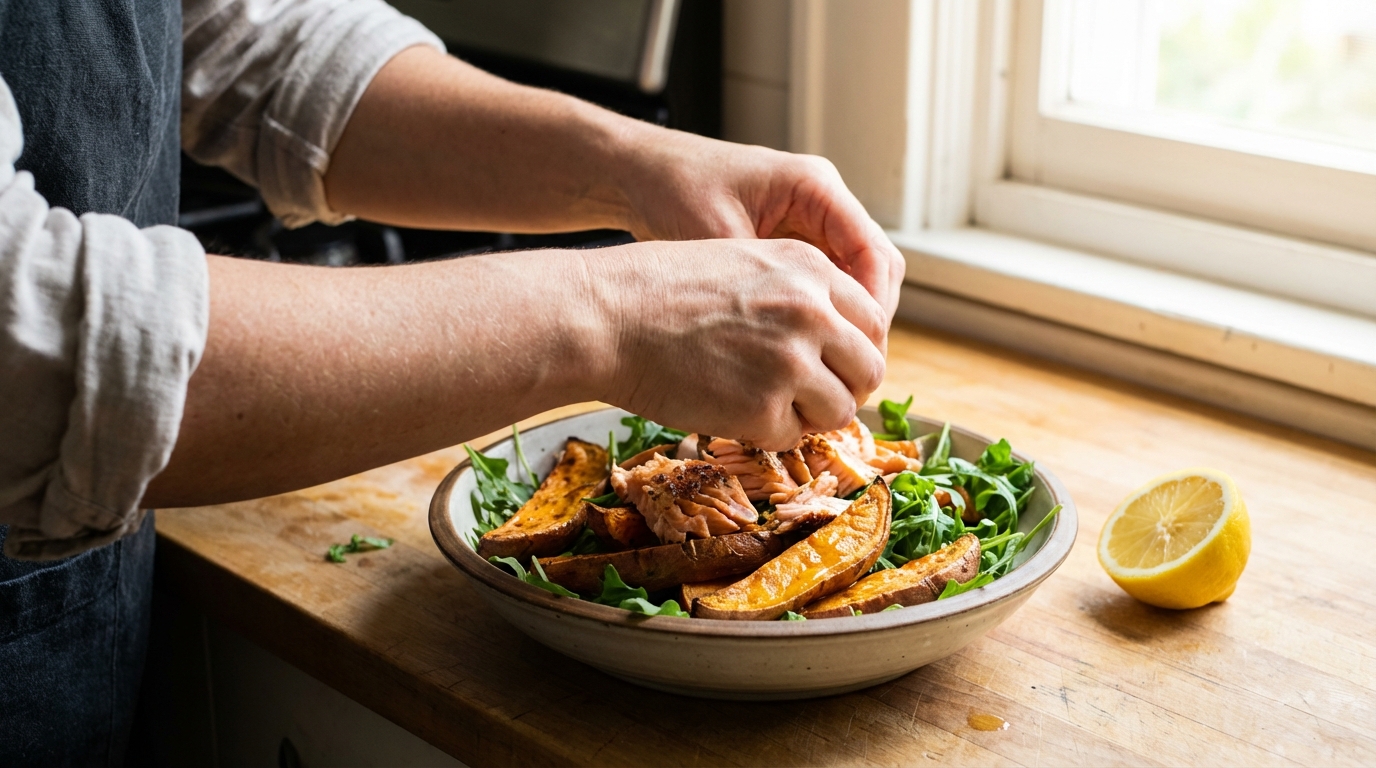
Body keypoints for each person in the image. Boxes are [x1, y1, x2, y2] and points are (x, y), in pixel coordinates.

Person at [0, 0, 903, 763]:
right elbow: (31, 351)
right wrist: (608, 313)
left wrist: (641, 167)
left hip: (84, 618)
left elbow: (258, 40)